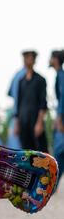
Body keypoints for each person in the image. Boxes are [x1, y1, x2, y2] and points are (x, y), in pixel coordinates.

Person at [14, 50, 48, 152]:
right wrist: (17, 124)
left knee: (40, 152)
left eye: (29, 57)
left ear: (34, 60)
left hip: (35, 120)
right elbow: (18, 104)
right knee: (25, 153)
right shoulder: (21, 81)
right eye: (25, 57)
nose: (27, 60)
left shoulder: (40, 80)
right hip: (23, 122)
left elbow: (43, 103)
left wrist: (39, 123)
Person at [49, 50, 64, 186]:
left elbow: (63, 97)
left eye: (51, 57)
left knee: (59, 150)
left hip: (62, 118)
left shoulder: (61, 75)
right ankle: (54, 184)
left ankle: (52, 184)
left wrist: (59, 118)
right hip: (60, 116)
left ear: (56, 59)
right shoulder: (59, 75)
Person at [6, 67, 26, 149]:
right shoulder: (25, 74)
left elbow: (10, 92)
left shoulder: (17, 74)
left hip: (15, 117)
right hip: (23, 114)